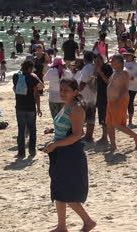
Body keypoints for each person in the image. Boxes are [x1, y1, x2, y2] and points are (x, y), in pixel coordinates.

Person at [43, 78, 96, 232]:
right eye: (61, 89)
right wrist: (52, 136)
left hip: (71, 154)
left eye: (66, 90)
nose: (62, 93)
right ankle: (61, 226)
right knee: (58, 190)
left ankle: (88, 221)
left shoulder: (76, 109)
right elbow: (65, 129)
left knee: (68, 193)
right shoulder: (65, 106)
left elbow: (77, 135)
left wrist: (55, 144)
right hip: (60, 152)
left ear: (75, 92)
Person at [106, 55, 137, 152]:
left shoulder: (124, 72)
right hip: (111, 101)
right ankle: (113, 145)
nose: (112, 63)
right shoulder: (114, 72)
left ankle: (136, 136)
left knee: (117, 125)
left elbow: (125, 89)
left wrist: (118, 102)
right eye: (112, 61)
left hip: (119, 101)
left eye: (114, 61)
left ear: (121, 63)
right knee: (109, 124)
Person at [12, 60, 43, 158]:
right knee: (32, 129)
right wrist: (38, 108)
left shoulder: (16, 77)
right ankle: (32, 150)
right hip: (30, 108)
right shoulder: (32, 78)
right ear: (30, 68)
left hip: (19, 107)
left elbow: (14, 89)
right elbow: (39, 91)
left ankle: (21, 153)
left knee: (21, 130)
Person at [78, 52, 97, 142]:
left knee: (89, 116)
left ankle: (88, 136)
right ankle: (88, 135)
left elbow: (82, 83)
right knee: (90, 115)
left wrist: (76, 92)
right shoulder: (93, 66)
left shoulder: (87, 68)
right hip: (92, 94)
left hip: (87, 95)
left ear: (84, 59)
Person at [123, 51, 137, 128]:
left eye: (128, 55)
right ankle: (123, 121)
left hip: (133, 87)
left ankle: (130, 122)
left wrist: (134, 78)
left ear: (132, 56)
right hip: (123, 86)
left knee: (130, 103)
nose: (127, 56)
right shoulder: (123, 63)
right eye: (126, 55)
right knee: (123, 103)